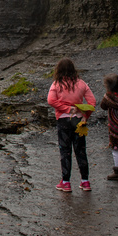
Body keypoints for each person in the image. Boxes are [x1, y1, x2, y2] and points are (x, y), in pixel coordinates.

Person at [47, 58, 96, 192]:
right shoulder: (81, 84)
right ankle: (85, 181)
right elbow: (92, 102)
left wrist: (66, 109)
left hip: (63, 120)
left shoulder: (56, 84)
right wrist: (85, 116)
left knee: (65, 150)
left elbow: (50, 100)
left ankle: (66, 182)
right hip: (79, 121)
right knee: (81, 150)